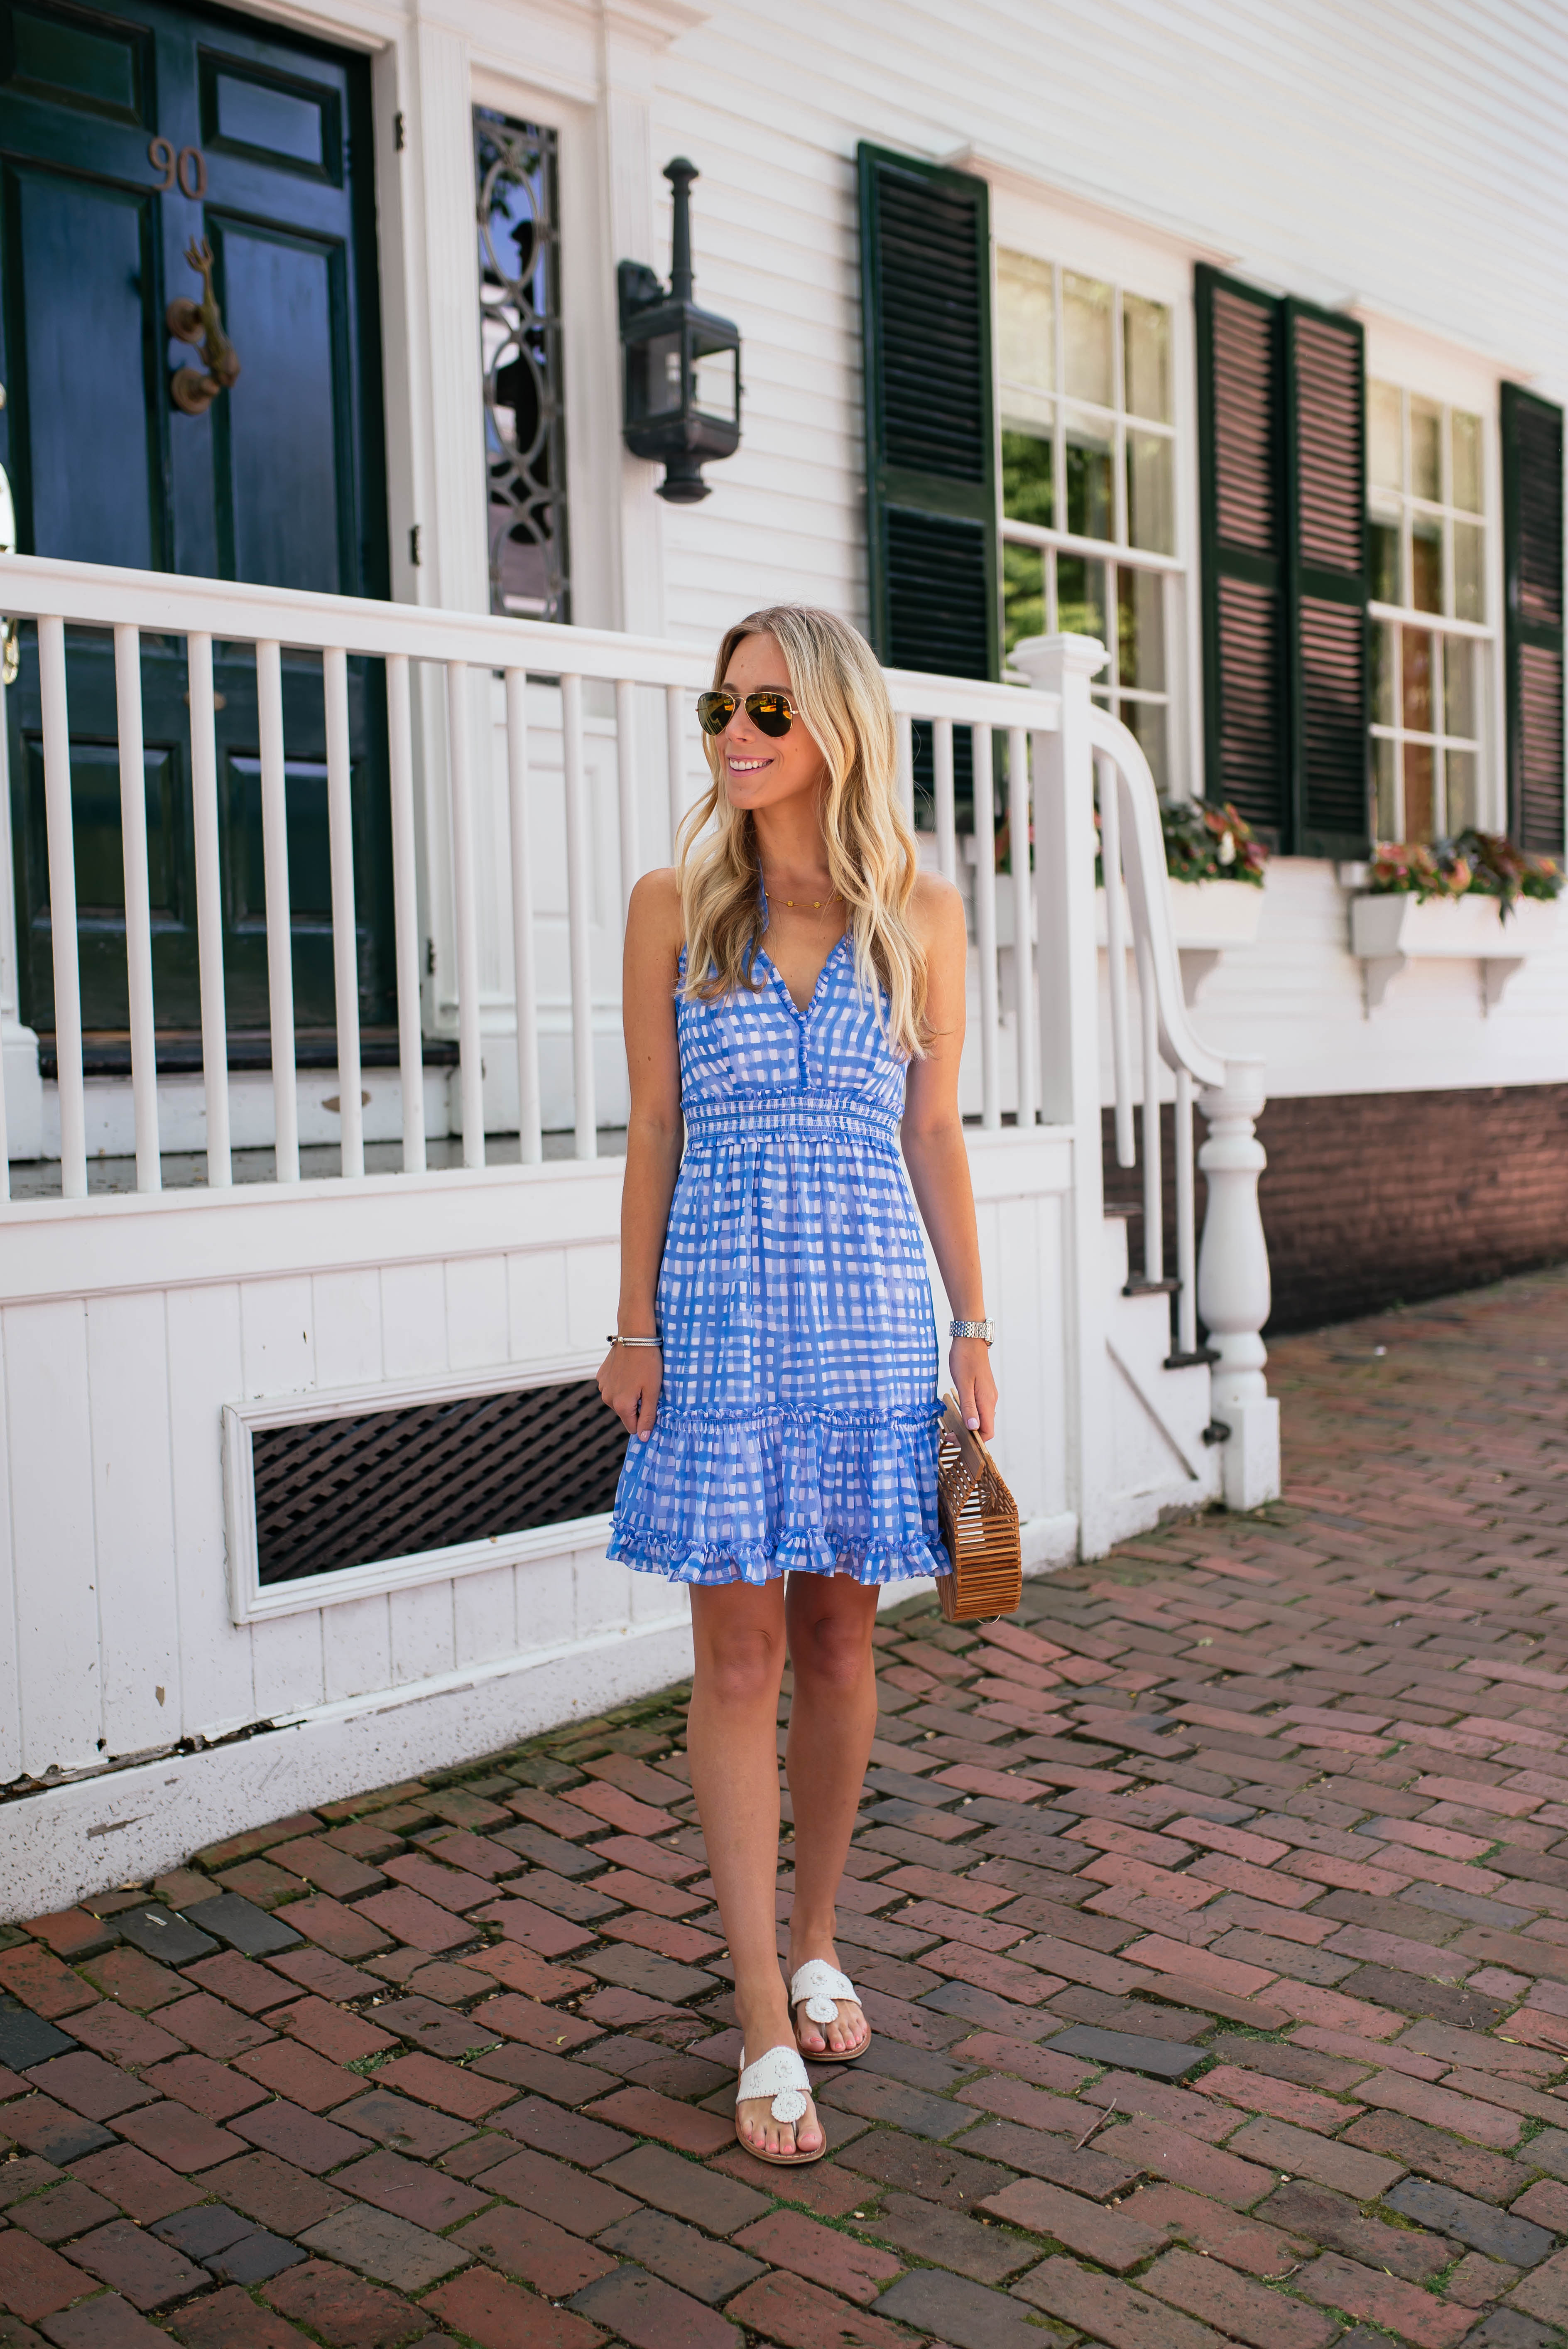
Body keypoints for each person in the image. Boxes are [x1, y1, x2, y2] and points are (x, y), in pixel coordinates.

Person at [597, 605, 997, 2165]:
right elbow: (652, 1126)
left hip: (873, 1318)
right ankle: (761, 2007)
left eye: (768, 704)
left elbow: (934, 1135)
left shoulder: (923, 915)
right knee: (740, 1659)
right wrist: (631, 1323)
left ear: (837, 723)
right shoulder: (671, 907)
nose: (735, 730)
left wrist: (975, 1329)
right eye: (721, 704)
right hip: (718, 1317)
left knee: (840, 1635)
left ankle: (818, 1932)